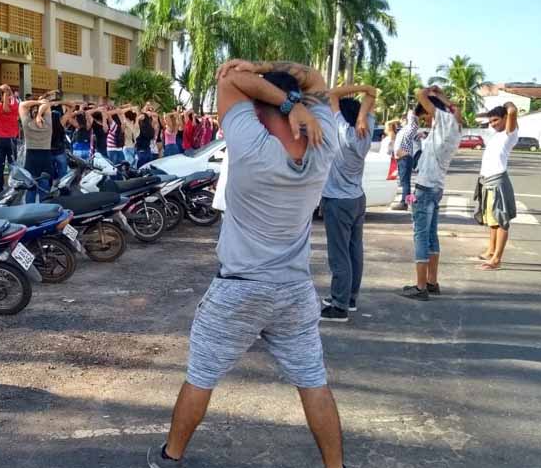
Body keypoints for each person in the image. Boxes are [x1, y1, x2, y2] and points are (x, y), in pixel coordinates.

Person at [147, 59, 346, 468]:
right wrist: (285, 87)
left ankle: (171, 456)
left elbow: (230, 79)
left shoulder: (252, 147)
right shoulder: (323, 144)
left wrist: (281, 96)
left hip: (239, 288)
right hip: (294, 291)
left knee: (201, 376)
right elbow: (314, 78)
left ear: (257, 108)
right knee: (313, 381)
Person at [318, 85, 377, 322]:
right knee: (354, 251)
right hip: (357, 198)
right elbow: (371, 98)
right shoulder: (365, 130)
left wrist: (363, 87)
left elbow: (332, 94)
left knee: (339, 254)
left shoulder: (341, 129)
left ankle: (339, 305)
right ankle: (349, 298)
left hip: (337, 200)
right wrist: (363, 112)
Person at [400, 86, 462, 300]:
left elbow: (419, 93)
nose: (425, 120)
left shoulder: (443, 121)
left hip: (426, 187)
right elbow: (456, 110)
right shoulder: (455, 126)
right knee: (431, 236)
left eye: (425, 115)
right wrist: (441, 96)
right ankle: (432, 282)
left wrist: (431, 92)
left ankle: (420, 287)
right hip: (436, 187)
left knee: (421, 236)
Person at [473, 103, 519, 270]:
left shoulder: (510, 133)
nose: (492, 124)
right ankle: (491, 251)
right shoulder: (497, 135)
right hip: (487, 181)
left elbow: (512, 110)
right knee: (492, 221)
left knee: (501, 221)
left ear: (505, 118)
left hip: (498, 182)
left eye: (495, 120)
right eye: (490, 121)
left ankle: (496, 259)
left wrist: (505, 106)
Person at [19, 99, 56, 203]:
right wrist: (40, 114)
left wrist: (37, 103)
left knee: (31, 189)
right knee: (44, 190)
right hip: (45, 158)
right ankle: (43, 211)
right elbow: (47, 103)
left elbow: (22, 105)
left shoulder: (27, 123)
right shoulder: (47, 124)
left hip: (31, 159)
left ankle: (30, 211)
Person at [387, 110, 418, 210]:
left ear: (406, 120)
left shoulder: (409, 128)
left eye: (402, 120)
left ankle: (404, 203)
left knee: (405, 182)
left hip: (405, 158)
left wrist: (410, 114)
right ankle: (409, 201)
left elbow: (414, 126)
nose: (401, 122)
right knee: (404, 181)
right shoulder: (403, 130)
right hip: (401, 159)